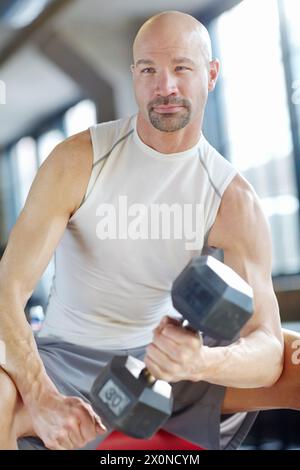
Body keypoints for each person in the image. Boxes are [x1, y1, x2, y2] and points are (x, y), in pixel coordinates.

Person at [0, 10, 299, 451]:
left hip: (166, 367)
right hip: (67, 359)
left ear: (211, 74)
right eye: (148, 70)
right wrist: (42, 396)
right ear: (134, 76)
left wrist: (202, 360)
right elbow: (7, 287)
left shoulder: (233, 198)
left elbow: (268, 348)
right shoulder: (78, 160)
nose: (166, 87)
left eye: (181, 67)